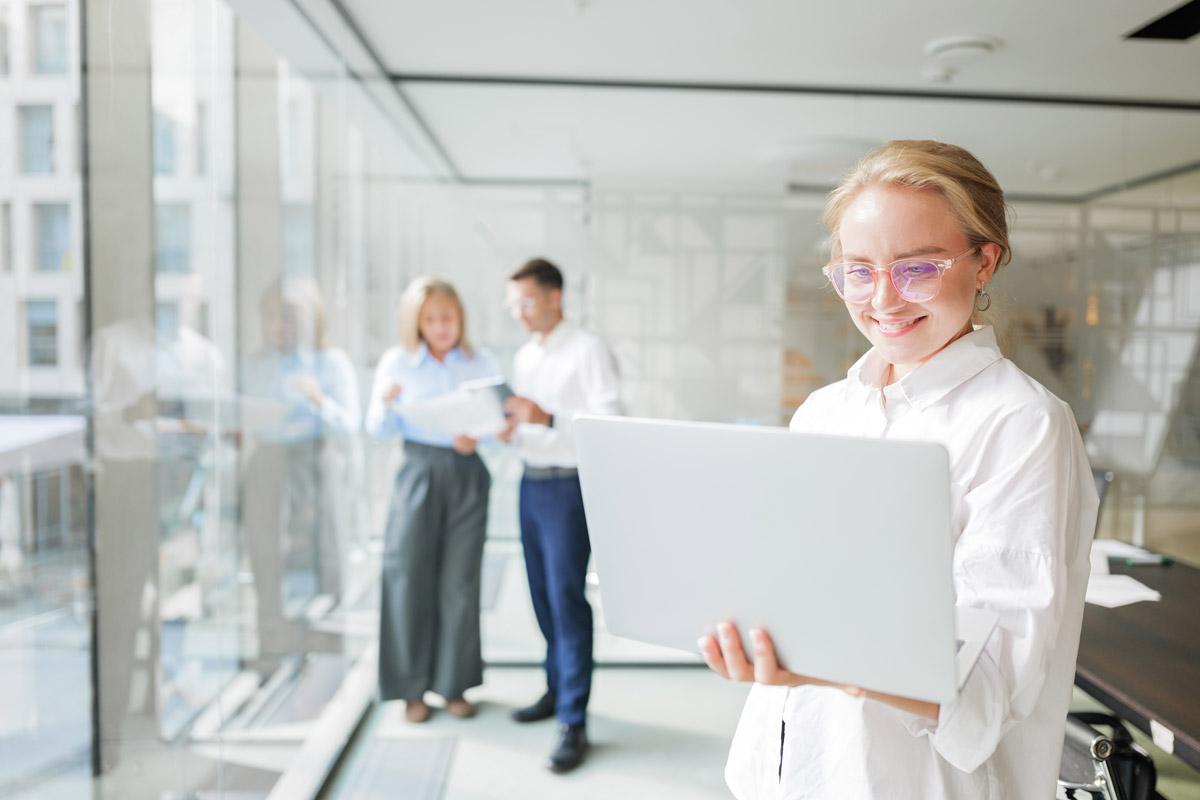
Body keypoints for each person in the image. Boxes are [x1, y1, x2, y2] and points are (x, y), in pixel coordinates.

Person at [699, 140, 1098, 799]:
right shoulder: (826, 410)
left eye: (916, 268)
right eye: (858, 271)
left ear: (985, 262)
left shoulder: (1020, 424)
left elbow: (989, 688)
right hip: (781, 770)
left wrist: (831, 654)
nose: (882, 298)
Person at [502, 258, 623, 774]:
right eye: (514, 306)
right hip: (530, 483)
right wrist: (508, 425)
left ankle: (574, 720)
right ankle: (557, 691)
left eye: (527, 302)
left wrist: (545, 417)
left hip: (570, 489)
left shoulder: (588, 350)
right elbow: (526, 422)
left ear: (555, 297)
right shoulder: (525, 356)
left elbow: (610, 422)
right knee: (541, 599)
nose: (520, 314)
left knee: (567, 602)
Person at [365, 276, 500, 723]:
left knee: (460, 584)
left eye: (448, 316)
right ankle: (411, 690)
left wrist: (479, 437)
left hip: (466, 474)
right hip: (417, 472)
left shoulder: (482, 362)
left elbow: (504, 429)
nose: (442, 326)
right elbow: (377, 431)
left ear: (460, 317)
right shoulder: (397, 364)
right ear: (415, 322)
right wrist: (385, 404)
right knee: (407, 577)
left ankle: (453, 685)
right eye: (431, 319)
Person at [240, 276, 360, 657]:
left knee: (322, 558)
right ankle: (272, 652)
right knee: (266, 558)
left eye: (289, 317)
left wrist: (319, 400)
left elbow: (350, 426)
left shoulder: (330, 363)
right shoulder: (255, 364)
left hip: (314, 460)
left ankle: (323, 656)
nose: (279, 326)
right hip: (266, 462)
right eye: (272, 316)